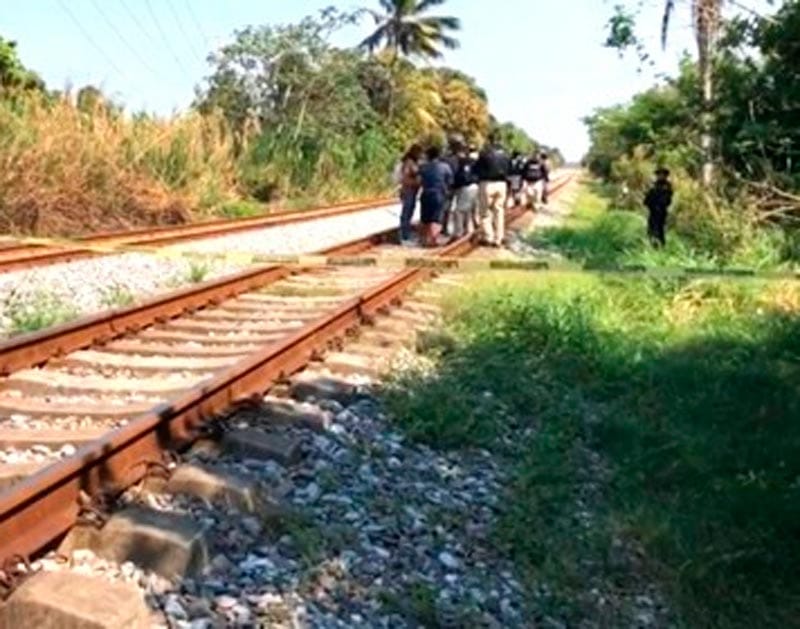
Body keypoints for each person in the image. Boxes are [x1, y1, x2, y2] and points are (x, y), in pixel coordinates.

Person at [475, 133, 510, 247]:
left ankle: (488, 237)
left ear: (489, 140)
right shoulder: (506, 154)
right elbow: (510, 169)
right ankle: (499, 238)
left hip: (487, 184)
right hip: (502, 184)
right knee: (499, 212)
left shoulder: (485, 153)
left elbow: (476, 168)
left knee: (485, 212)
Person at [418, 144, 454, 247]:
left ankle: (423, 240)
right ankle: (432, 240)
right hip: (439, 194)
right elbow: (450, 181)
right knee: (436, 219)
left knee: (425, 218)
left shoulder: (423, 167)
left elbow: (419, 179)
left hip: (425, 193)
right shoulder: (445, 167)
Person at [451, 141, 479, 239]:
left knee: (459, 211)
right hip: (477, 187)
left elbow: (461, 176)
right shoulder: (478, 160)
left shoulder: (464, 161)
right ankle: (470, 230)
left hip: (466, 187)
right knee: (471, 211)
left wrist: (454, 186)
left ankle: (458, 232)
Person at [398, 144, 422, 245]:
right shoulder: (409, 163)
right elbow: (405, 177)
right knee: (406, 213)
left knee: (409, 211)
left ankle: (406, 234)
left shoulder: (413, 162)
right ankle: (404, 236)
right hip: (408, 190)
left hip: (412, 190)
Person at [644, 167, 673, 247]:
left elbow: (667, 199)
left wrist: (660, 204)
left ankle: (661, 245)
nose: (660, 176)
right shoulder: (653, 185)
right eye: (659, 174)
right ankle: (653, 244)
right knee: (651, 228)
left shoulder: (667, 186)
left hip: (661, 210)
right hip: (653, 210)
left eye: (662, 174)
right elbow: (648, 197)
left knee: (660, 228)